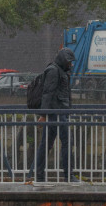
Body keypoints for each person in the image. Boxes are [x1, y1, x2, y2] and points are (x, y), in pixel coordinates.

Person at [34, 47, 80, 182]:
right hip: (57, 113)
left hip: (58, 112)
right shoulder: (54, 71)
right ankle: (68, 175)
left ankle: (40, 175)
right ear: (63, 61)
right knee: (66, 142)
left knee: (46, 144)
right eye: (69, 62)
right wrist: (43, 114)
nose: (70, 64)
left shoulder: (59, 70)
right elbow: (48, 93)